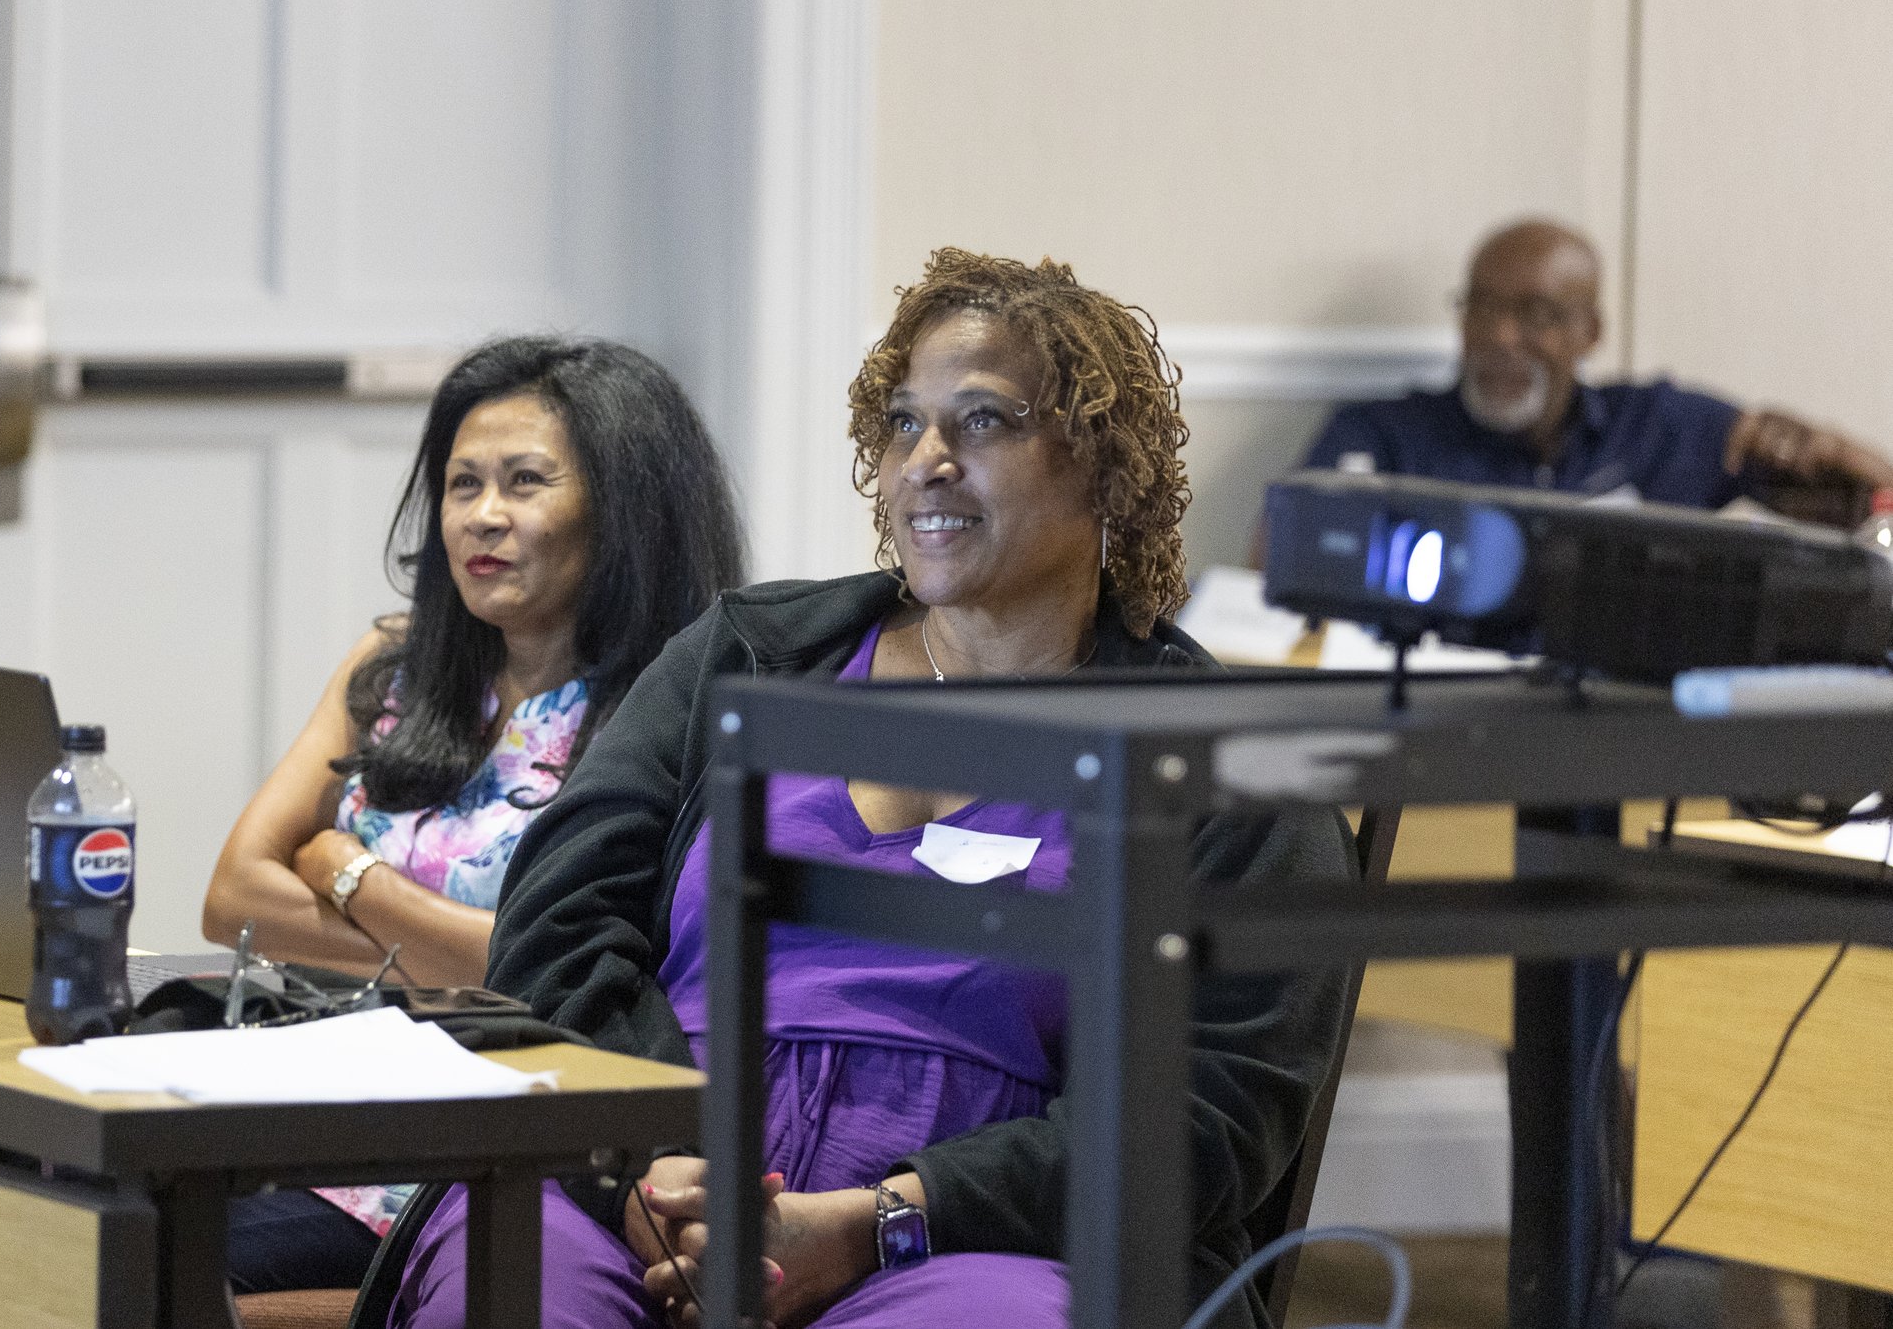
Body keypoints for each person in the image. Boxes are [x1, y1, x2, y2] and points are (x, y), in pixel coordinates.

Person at [380, 250, 1354, 1329]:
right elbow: (554, 926)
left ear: (1100, 463)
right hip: (644, 1192)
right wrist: (659, 1162)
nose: (924, 459)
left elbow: (1206, 1117)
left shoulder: (1217, 767)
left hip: (982, 1240)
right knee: (506, 1279)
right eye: (901, 423)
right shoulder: (744, 656)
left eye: (980, 421)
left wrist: (878, 1219)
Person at [201, 334, 747, 1295]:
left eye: (526, 483)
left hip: (459, 1160)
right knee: (37, 1191)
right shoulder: (395, 663)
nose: (481, 519)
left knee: (117, 1252)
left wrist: (339, 865)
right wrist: (437, 944)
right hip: (297, 1103)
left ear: (625, 514)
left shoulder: (671, 722)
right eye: (462, 485)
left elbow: (541, 970)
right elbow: (234, 895)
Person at [1299, 216, 1893, 506]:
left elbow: (1867, 499)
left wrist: (1828, 457)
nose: (1501, 336)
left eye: (1537, 314)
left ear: (1591, 332)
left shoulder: (1658, 428)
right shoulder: (1385, 436)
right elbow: (1278, 565)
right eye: (1481, 307)